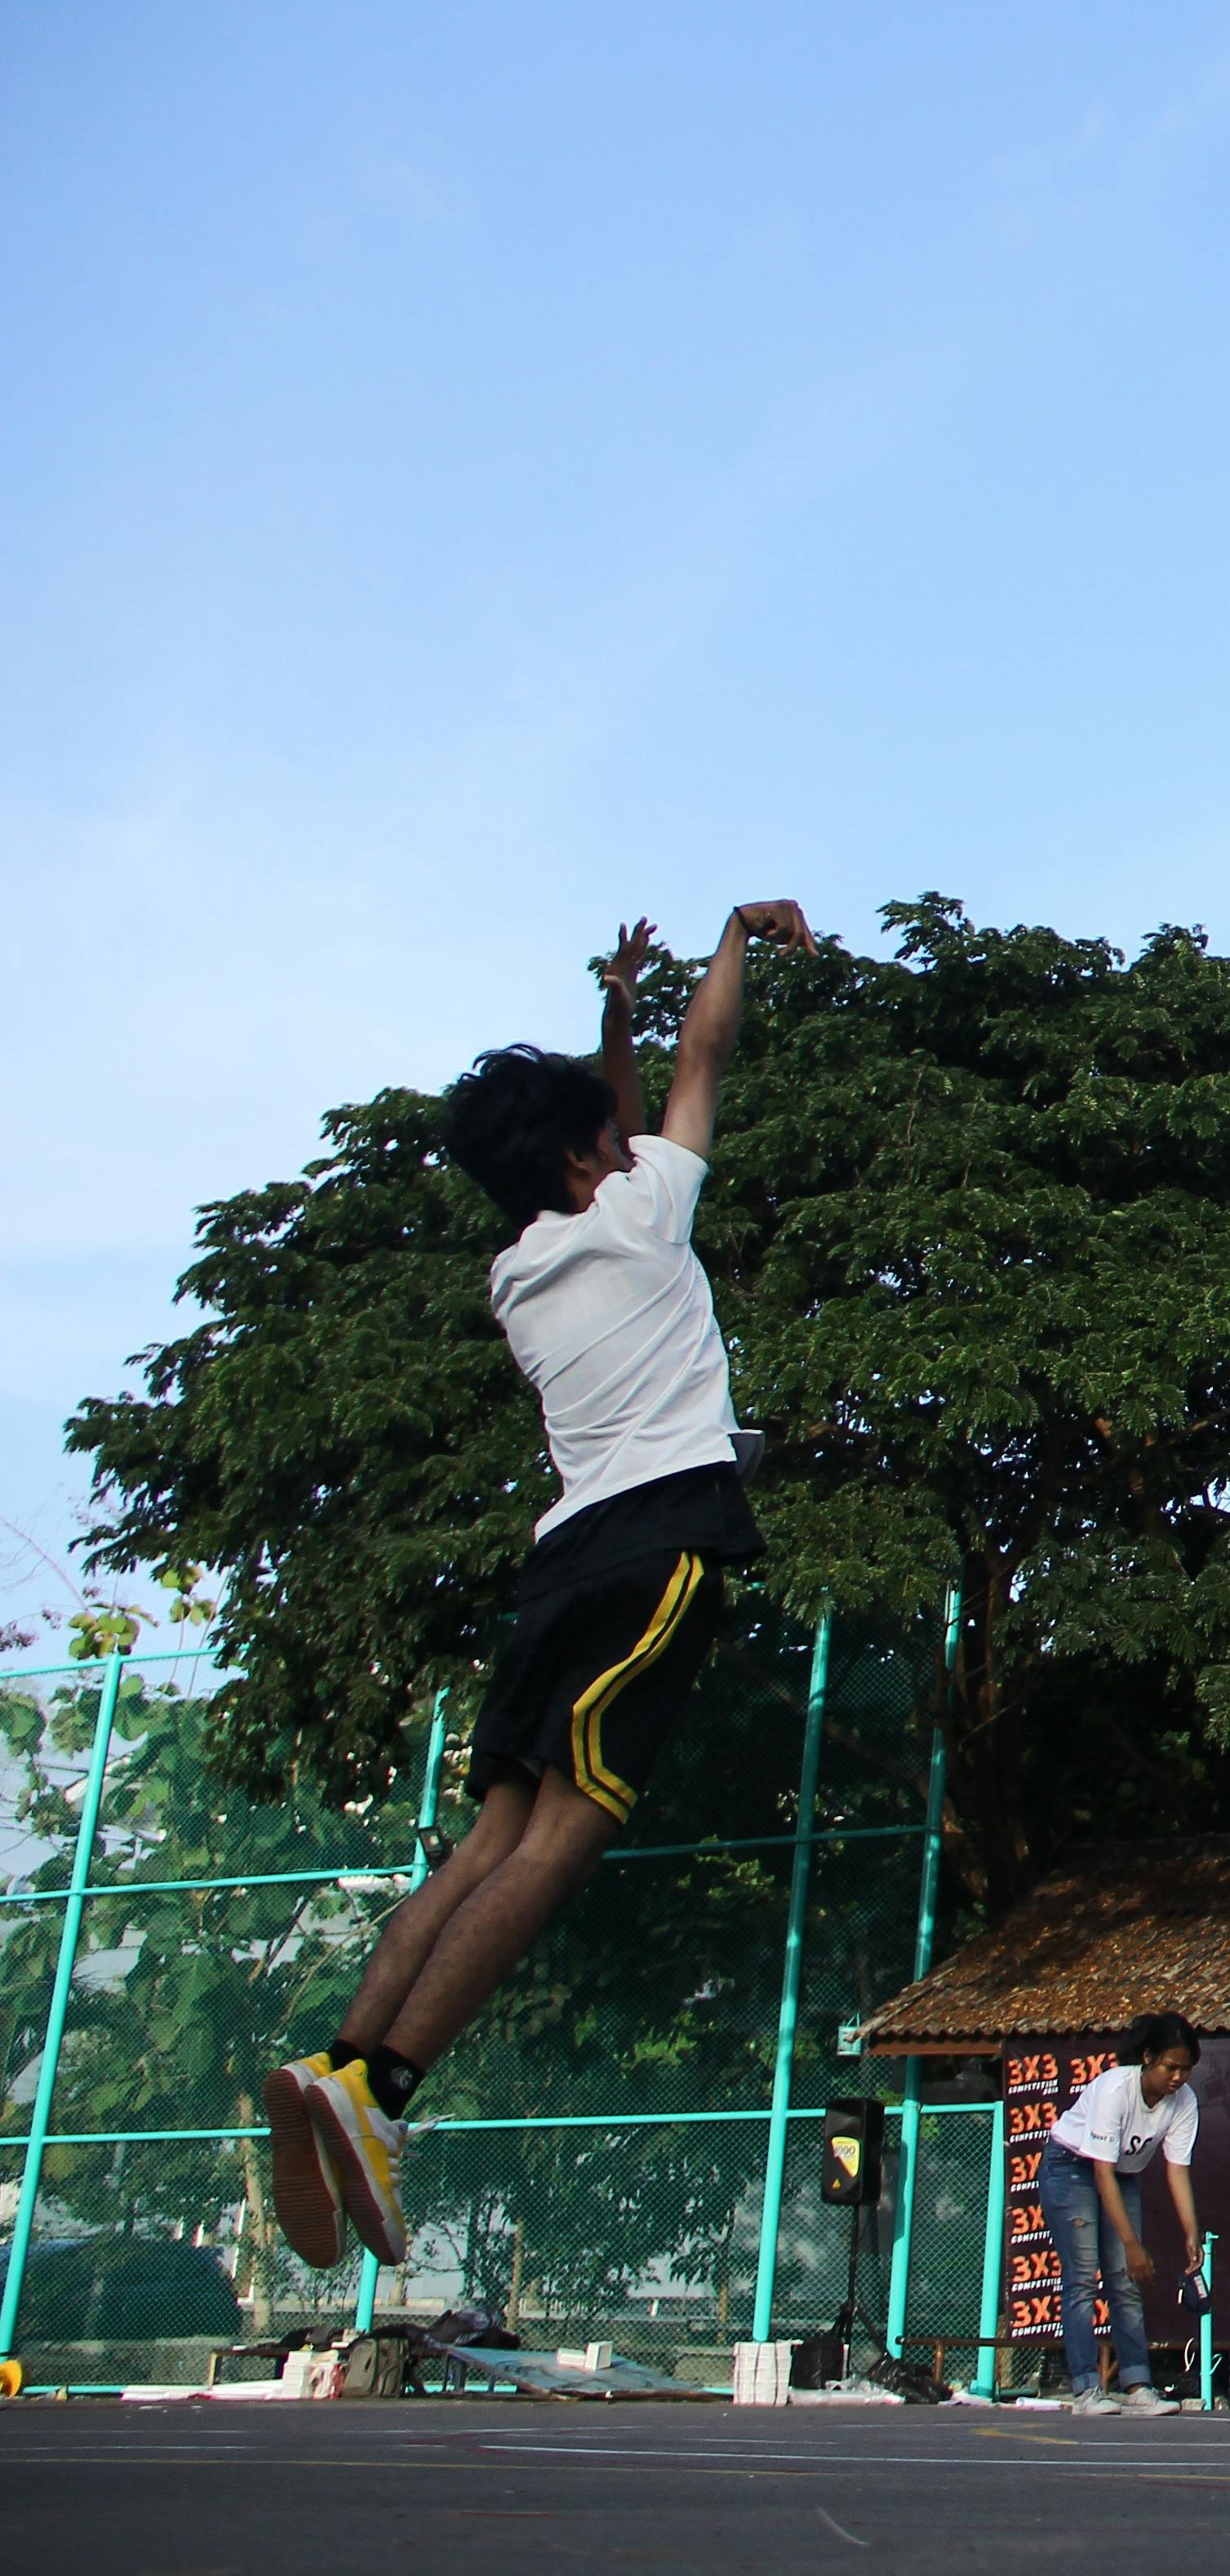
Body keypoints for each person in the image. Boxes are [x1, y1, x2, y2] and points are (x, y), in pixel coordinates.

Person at [260, 902, 815, 2273]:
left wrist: (614, 1007)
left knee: (488, 1842)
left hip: (558, 1561)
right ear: (585, 1158)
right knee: (565, 1837)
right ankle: (381, 2095)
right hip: (659, 1544)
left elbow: (623, 1109)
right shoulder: (643, 1216)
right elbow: (706, 1059)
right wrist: (731, 936)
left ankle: (345, 2061)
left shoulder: (516, 1266)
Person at [1046, 2011, 1208, 2416]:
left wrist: (1192, 2232)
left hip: (1120, 2174)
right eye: (1170, 2067)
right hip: (1071, 2167)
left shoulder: (1184, 2101)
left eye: (1186, 2070)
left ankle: (1137, 2385)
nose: (1177, 2078)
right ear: (1148, 2058)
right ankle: (1086, 2389)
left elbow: (1177, 2168)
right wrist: (1132, 2244)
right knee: (1083, 2278)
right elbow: (1100, 2171)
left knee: (1127, 2283)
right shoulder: (1115, 2088)